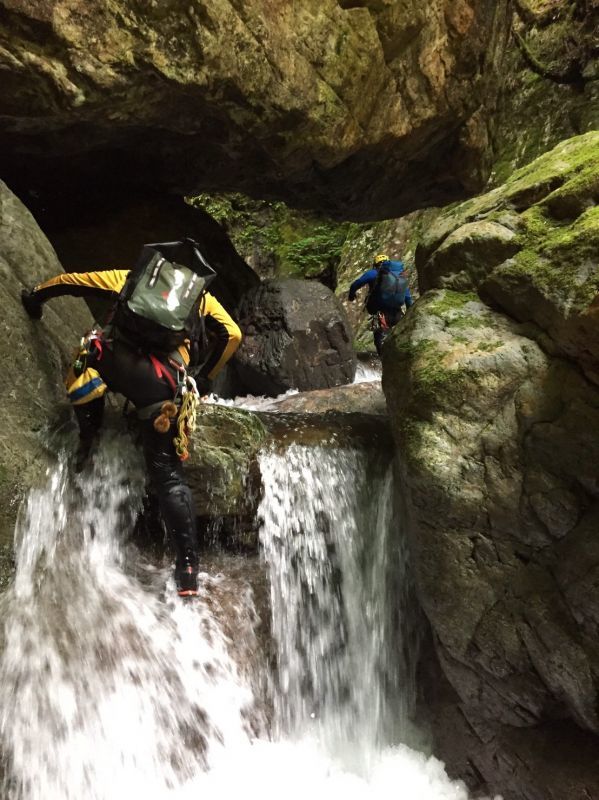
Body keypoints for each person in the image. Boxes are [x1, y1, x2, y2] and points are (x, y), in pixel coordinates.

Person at [21, 249, 242, 598]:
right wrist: (207, 374)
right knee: (168, 474)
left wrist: (35, 298)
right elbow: (233, 335)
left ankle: (89, 438)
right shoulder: (202, 299)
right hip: (160, 387)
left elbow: (74, 282)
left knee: (86, 363)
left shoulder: (135, 277)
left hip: (113, 364)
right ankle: (187, 571)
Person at [347, 253, 413, 354]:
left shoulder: (373, 273)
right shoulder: (398, 277)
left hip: (379, 309)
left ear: (376, 264)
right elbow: (408, 298)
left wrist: (351, 295)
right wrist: (410, 314)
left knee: (380, 335)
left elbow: (356, 284)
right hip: (397, 312)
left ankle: (383, 359)